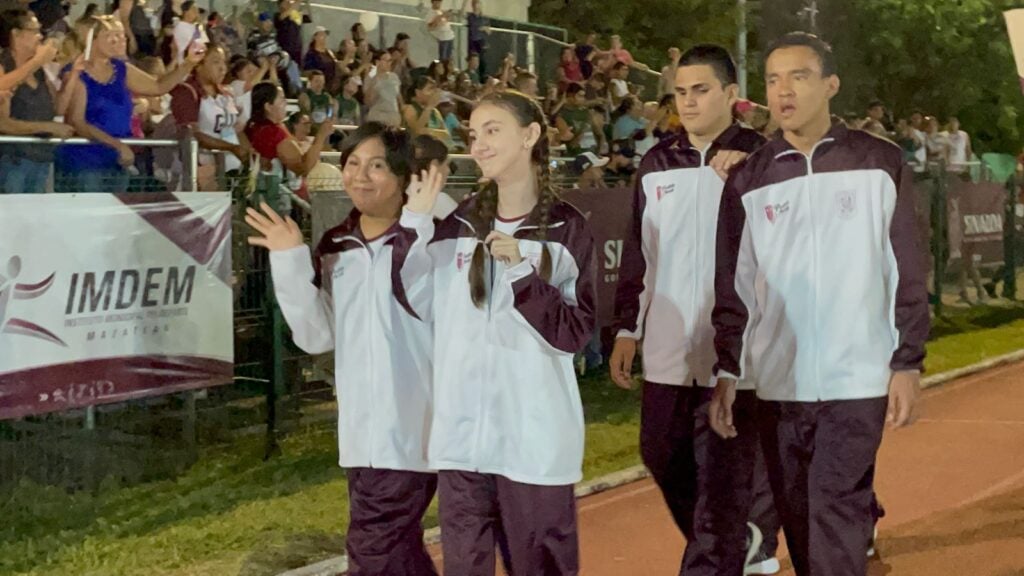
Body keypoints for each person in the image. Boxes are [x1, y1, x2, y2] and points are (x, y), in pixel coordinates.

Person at [710, 32, 929, 576]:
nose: (784, 91)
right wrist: (728, 370)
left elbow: (906, 268)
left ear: (830, 84)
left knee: (834, 507)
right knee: (800, 521)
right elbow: (732, 286)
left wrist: (907, 363)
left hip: (857, 379)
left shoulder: (880, 163)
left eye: (799, 76)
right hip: (780, 384)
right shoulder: (749, 179)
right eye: (774, 79)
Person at [395, 90, 597, 575]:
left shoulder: (567, 229)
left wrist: (523, 277)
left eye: (492, 130)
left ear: (530, 136)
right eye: (473, 134)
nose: (479, 144)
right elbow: (413, 302)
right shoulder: (457, 224)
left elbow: (573, 333)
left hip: (533, 441)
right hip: (462, 440)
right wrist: (412, 224)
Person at [610, 43, 779, 576]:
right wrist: (626, 331)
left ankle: (718, 554)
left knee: (723, 478)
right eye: (680, 92)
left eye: (701, 90)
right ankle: (739, 538)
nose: (687, 101)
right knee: (661, 454)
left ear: (732, 94)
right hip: (668, 347)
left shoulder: (765, 159)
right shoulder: (657, 162)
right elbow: (641, 255)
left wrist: (753, 170)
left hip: (739, 351)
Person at [246, 122, 439, 576]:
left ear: (402, 177)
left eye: (376, 166)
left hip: (415, 429)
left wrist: (417, 228)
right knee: (398, 551)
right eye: (352, 164)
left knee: (372, 549)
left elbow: (431, 308)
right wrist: (289, 259)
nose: (360, 176)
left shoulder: (433, 241)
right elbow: (316, 337)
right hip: (360, 436)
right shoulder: (336, 246)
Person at [57, 15, 202, 192]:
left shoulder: (121, 68)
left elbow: (158, 86)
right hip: (86, 161)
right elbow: (77, 121)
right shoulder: (76, 72)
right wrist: (117, 145)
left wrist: (188, 64)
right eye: (110, 35)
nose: (117, 40)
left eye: (119, 35)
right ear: (92, 39)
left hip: (118, 160)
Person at [0, 9, 74, 194]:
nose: (39, 37)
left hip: (41, 156)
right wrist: (48, 127)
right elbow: (4, 123)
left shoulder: (40, 71)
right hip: (13, 159)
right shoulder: (4, 65)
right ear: (16, 34)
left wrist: (71, 78)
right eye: (34, 31)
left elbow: (57, 107)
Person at [166, 44, 249, 187]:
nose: (223, 68)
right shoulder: (186, 93)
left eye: (224, 62)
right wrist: (231, 148)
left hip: (232, 171)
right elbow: (192, 134)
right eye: (216, 62)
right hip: (200, 173)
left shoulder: (226, 93)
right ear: (198, 65)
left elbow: (234, 129)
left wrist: (247, 152)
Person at [245, 82, 333, 211]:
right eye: (281, 99)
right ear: (268, 106)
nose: (285, 103)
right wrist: (321, 136)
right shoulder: (272, 133)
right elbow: (303, 167)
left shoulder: (254, 126)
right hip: (275, 199)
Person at [555, 83, 597, 157]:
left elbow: (590, 127)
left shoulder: (585, 111)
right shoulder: (563, 113)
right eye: (580, 96)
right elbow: (565, 135)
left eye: (584, 96)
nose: (583, 99)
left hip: (590, 150)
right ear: (570, 96)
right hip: (574, 154)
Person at [364, 50, 402, 127]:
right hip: (378, 115)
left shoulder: (394, 77)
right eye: (386, 60)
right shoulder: (370, 78)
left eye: (390, 60)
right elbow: (368, 101)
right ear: (377, 62)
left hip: (393, 115)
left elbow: (398, 96)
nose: (389, 63)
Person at [303, 26, 339, 92]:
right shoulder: (311, 54)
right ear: (315, 37)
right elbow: (307, 71)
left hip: (332, 84)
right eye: (321, 34)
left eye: (325, 35)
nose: (324, 37)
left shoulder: (329, 53)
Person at [275, 0, 311, 66]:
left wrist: (306, 3)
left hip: (296, 48)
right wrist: (298, 1)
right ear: (280, 5)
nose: (289, 3)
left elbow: (308, 16)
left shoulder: (295, 16)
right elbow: (289, 11)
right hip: (285, 48)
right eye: (286, 2)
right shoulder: (278, 16)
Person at [461, 0, 487, 78]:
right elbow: (462, 14)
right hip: (473, 40)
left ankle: (481, 78)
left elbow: (489, 31)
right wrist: (464, 3)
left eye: (478, 4)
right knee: (472, 59)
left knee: (481, 60)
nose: (476, 6)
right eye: (474, 4)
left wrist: (485, 28)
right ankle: (471, 76)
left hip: (480, 40)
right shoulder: (470, 16)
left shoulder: (483, 18)